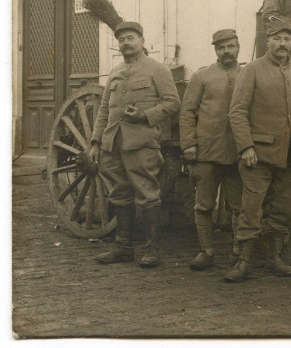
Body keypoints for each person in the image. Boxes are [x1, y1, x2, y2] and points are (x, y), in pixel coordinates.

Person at [224, 20, 291, 282]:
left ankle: (275, 258)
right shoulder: (252, 70)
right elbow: (237, 111)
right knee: (251, 209)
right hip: (259, 156)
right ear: (267, 41)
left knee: (283, 210)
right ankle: (244, 261)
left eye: (287, 39)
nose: (282, 44)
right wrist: (246, 147)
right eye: (277, 39)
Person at [89, 21, 180, 268]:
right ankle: (123, 247)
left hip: (141, 144)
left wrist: (144, 116)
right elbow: (104, 109)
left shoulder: (157, 69)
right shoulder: (116, 72)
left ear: (141, 40)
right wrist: (97, 141)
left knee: (147, 195)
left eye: (130, 38)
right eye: (121, 40)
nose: (126, 43)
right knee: (119, 194)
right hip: (113, 143)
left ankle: (151, 250)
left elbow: (173, 103)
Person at [179, 29, 244, 271]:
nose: (226, 51)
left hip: (237, 152)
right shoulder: (202, 77)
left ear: (239, 47)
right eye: (221, 48)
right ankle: (206, 251)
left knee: (238, 206)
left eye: (230, 46)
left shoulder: (247, 75)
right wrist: (189, 145)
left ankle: (237, 251)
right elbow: (187, 112)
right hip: (206, 153)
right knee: (204, 205)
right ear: (215, 50)